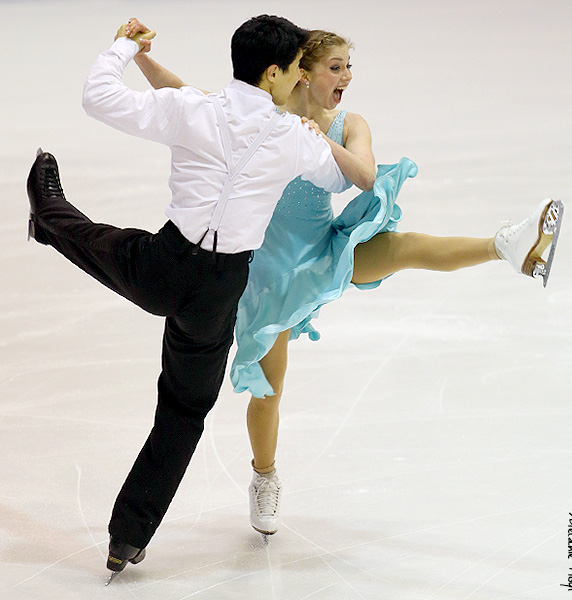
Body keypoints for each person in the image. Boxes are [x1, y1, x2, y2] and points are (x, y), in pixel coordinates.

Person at [128, 22, 564, 539]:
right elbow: (188, 98)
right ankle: (263, 476)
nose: (347, 77)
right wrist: (141, 59)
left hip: (325, 251)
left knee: (402, 248)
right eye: (335, 67)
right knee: (269, 388)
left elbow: (365, 175)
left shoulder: (348, 124)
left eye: (348, 66)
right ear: (301, 73)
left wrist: (317, 140)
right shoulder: (263, 115)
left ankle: (509, 247)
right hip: (267, 275)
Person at [25, 15, 362, 580]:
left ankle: (45, 210)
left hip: (162, 265)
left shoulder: (192, 108)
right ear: (275, 73)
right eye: (300, 70)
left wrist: (124, 47)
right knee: (183, 413)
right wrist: (319, 127)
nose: (304, 79)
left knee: (89, 237)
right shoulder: (289, 138)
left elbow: (98, 97)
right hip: (217, 293)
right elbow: (339, 181)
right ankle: (126, 539)